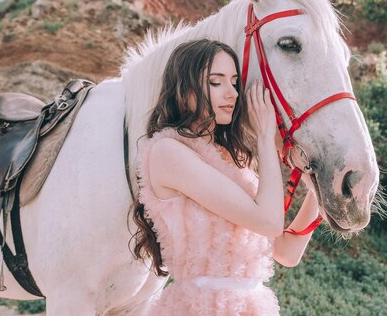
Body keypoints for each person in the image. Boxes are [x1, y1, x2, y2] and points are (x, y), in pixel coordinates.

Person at [132, 38, 320, 316]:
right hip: (199, 308)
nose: (231, 93)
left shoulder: (233, 159)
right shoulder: (167, 152)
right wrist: (265, 138)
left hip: (250, 307)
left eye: (234, 82)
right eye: (216, 82)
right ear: (184, 91)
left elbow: (286, 253)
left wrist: (319, 191)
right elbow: (268, 221)